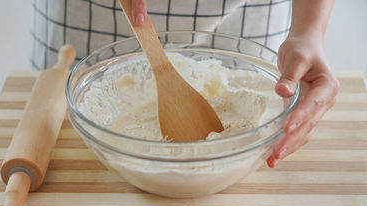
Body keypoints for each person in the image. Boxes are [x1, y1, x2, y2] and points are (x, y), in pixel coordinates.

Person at [31, 0, 338, 168]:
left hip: (248, 23)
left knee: (260, 101)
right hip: (96, 24)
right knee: (73, 93)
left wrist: (309, 31)